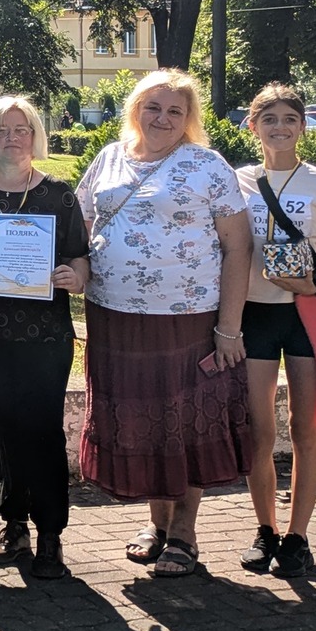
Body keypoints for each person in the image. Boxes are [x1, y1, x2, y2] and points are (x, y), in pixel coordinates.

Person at [74, 69, 253, 579]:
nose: (163, 118)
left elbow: (238, 247)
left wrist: (229, 328)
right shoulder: (109, 158)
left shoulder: (207, 165)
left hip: (186, 319)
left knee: (184, 421)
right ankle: (157, 524)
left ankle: (184, 533)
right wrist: (77, 269)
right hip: (114, 316)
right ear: (135, 108)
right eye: (153, 107)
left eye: (176, 110)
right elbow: (82, 228)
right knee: (143, 421)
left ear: (189, 118)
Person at [0, 96, 89, 581]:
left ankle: (51, 533)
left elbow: (79, 257)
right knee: (2, 430)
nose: (11, 137)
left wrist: (74, 277)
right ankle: (14, 526)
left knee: (42, 433)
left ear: (35, 136)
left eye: (21, 129)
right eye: (1, 130)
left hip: (45, 337)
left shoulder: (58, 194)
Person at [235, 83, 316, 580]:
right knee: (259, 431)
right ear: (253, 126)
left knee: (305, 427)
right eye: (269, 119)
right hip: (254, 314)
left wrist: (310, 283)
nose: (280, 127)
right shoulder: (237, 181)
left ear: (303, 126)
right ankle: (265, 529)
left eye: (289, 119)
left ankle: (298, 536)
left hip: (307, 315)